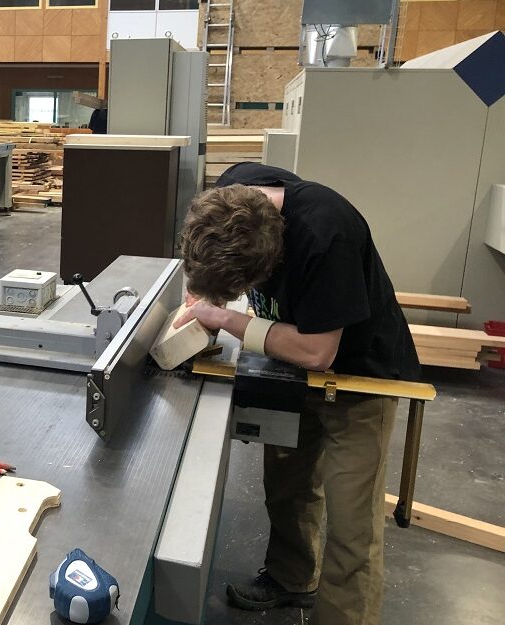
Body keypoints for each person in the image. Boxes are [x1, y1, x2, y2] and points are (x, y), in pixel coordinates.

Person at [174, 162, 420, 625]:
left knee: (351, 525)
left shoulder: (328, 235)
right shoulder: (231, 195)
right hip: (288, 366)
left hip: (360, 377)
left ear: (273, 259)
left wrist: (225, 319)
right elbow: (214, 271)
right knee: (287, 485)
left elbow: (318, 351)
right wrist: (203, 298)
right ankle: (291, 579)